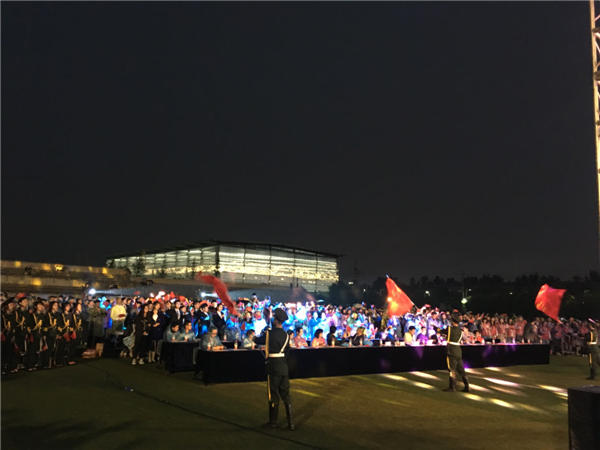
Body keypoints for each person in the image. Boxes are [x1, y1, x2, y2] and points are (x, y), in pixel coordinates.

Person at [255, 308, 294, 430]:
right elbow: (287, 351)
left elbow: (258, 340)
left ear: (276, 320)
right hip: (283, 366)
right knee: (285, 394)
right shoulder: (286, 335)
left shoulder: (269, 334)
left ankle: (273, 421)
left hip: (273, 366)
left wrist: (258, 334)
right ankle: (291, 423)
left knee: (273, 393)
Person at [444, 313, 470, 393]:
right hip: (458, 352)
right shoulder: (461, 331)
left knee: (452, 370)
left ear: (453, 321)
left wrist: (435, 327)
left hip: (451, 352)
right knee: (461, 370)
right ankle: (467, 386)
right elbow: (466, 339)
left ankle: (452, 387)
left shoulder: (449, 329)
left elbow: (441, 331)